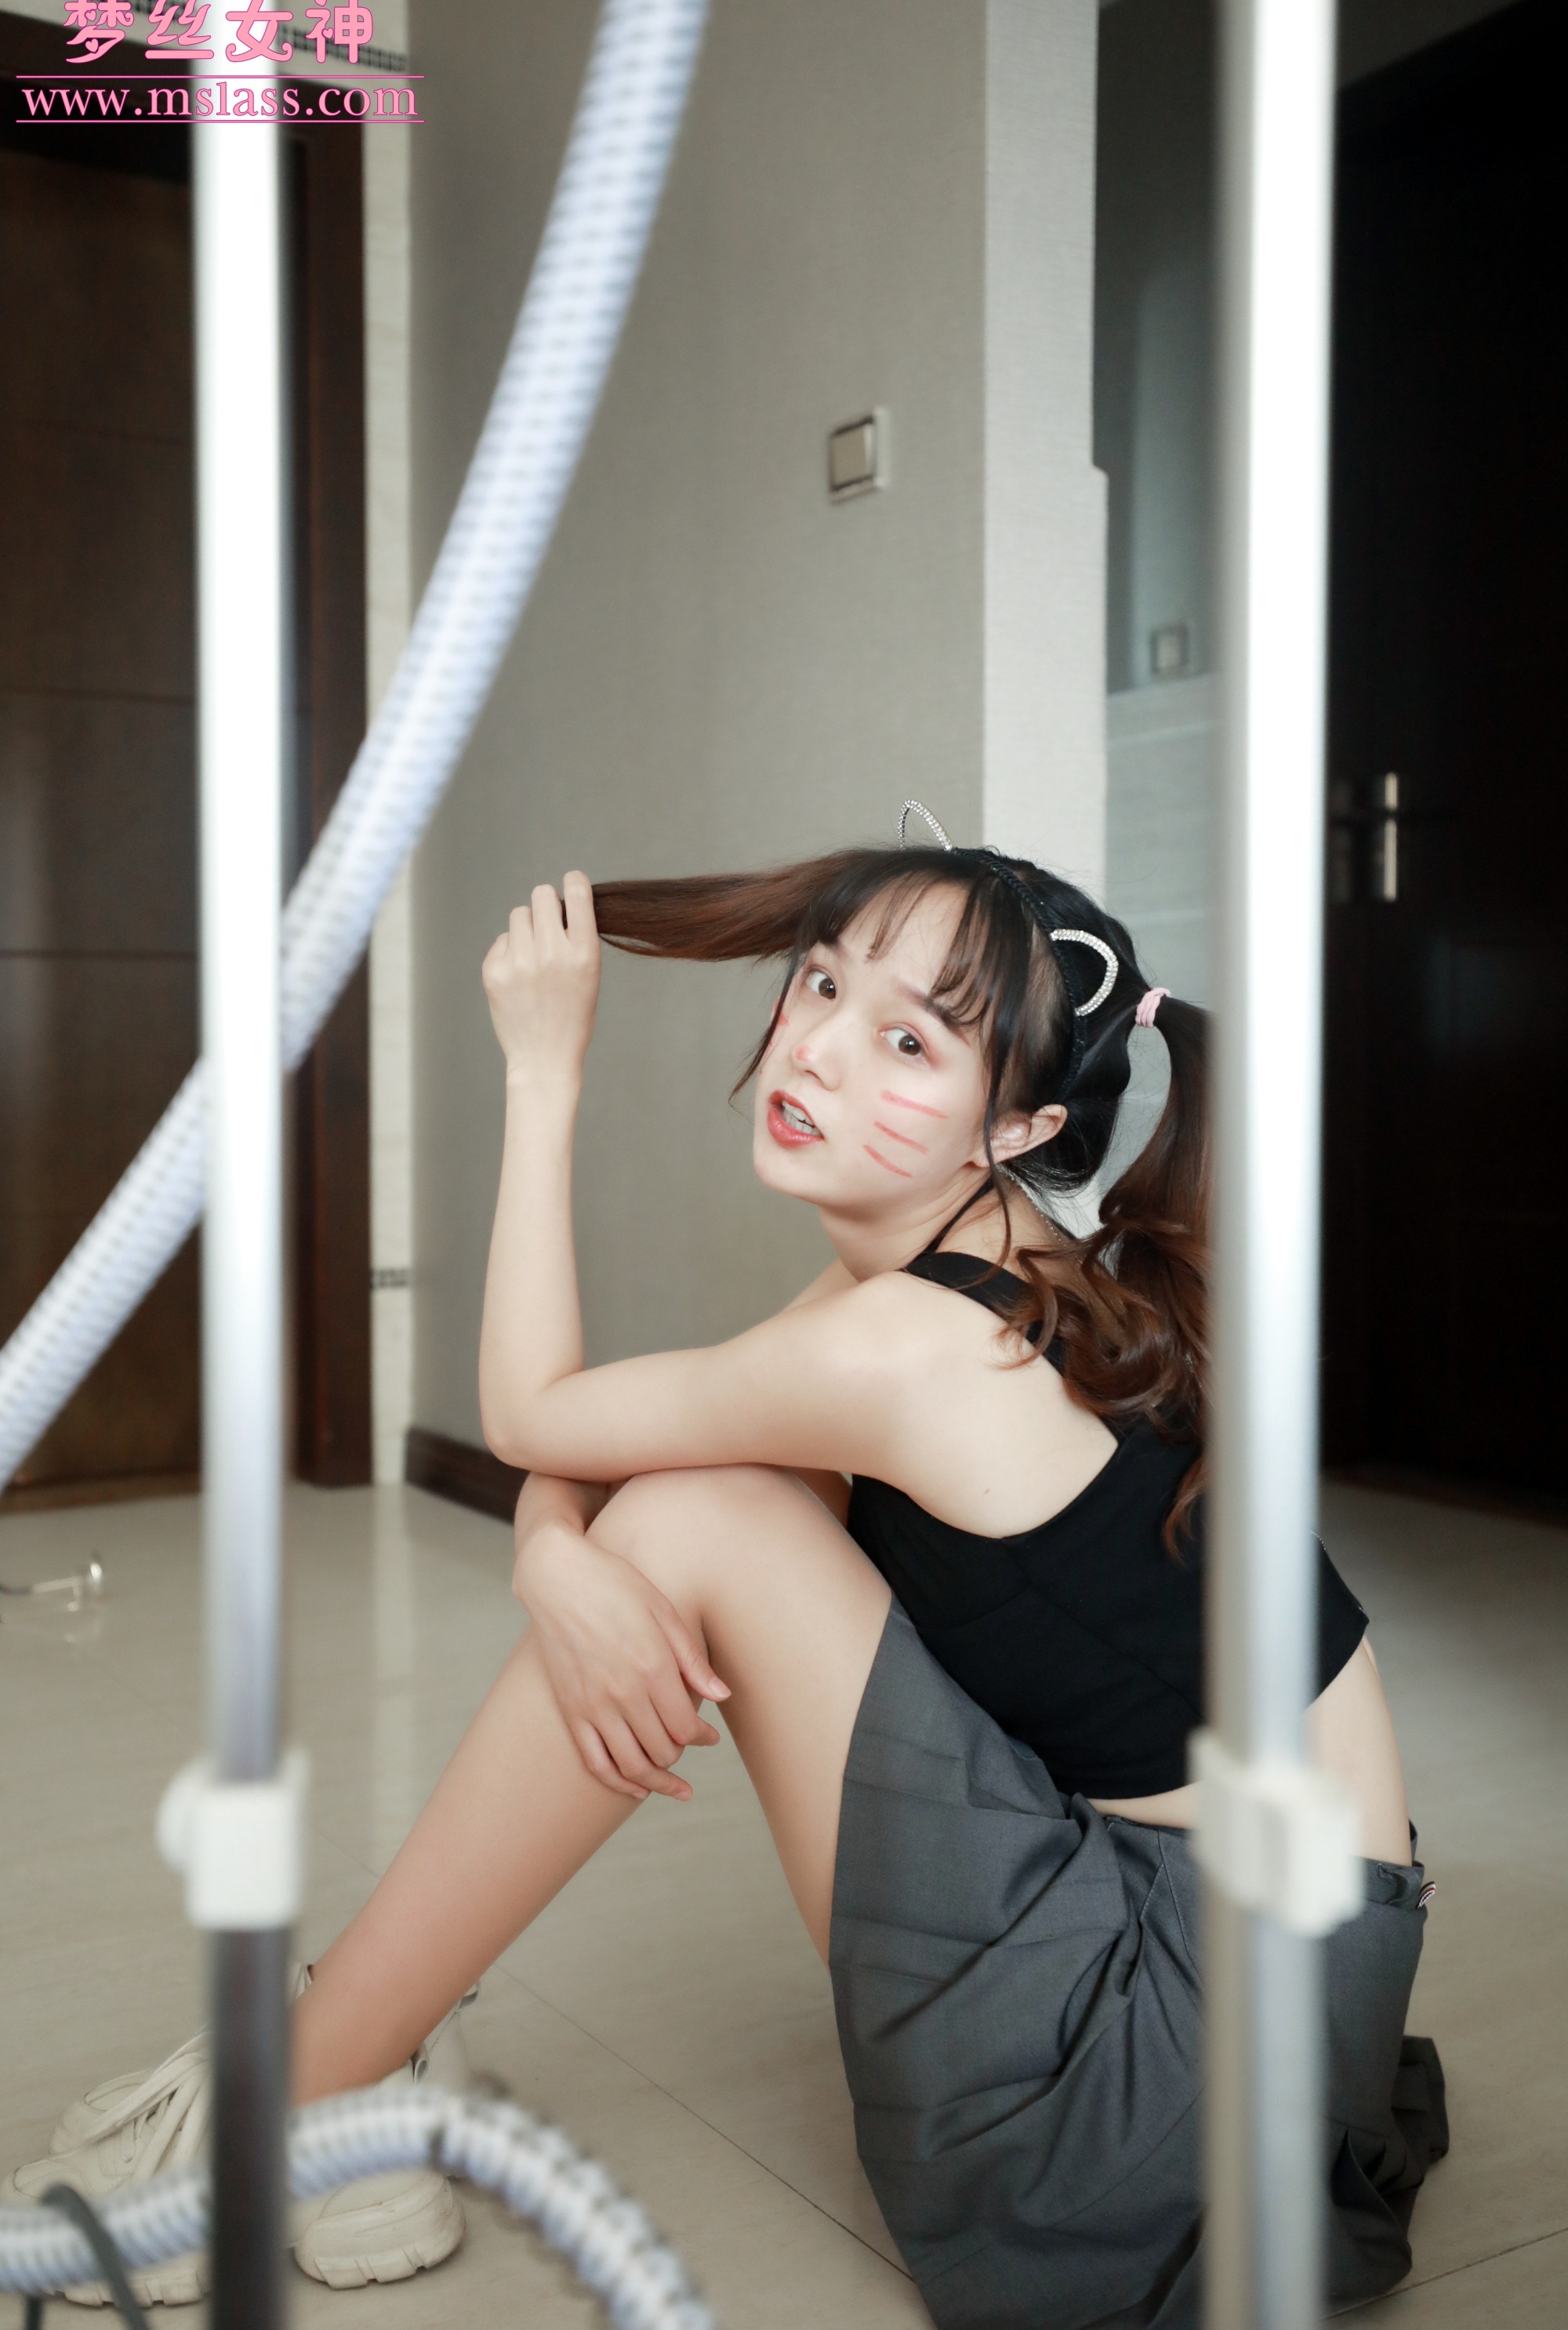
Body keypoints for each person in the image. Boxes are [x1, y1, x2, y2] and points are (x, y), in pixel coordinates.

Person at [4, 831, 1446, 2323]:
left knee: (692, 1527)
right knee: (694, 1513)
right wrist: (553, 1553)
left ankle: (301, 2097)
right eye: (822, 982)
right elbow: (632, 1439)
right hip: (1264, 1987)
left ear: (1013, 1127)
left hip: (1181, 2087)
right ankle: (356, 2047)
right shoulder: (980, 1259)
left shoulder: (907, 1349)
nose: (816, 1051)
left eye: (908, 1041)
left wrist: (543, 1076)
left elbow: (538, 1422)